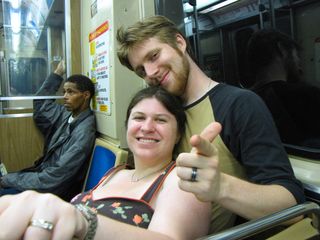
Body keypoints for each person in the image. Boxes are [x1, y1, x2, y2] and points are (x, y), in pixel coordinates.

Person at [116, 15, 306, 233]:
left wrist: (221, 187)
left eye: (154, 55)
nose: (150, 73)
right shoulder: (162, 113)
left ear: (179, 42)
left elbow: (293, 206)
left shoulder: (238, 104)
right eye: (141, 70)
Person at [0, 86, 211, 240]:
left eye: (161, 120)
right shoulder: (115, 172)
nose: (147, 127)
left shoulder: (181, 181)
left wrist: (84, 222)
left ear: (177, 135)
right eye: (138, 118)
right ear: (127, 126)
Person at [0, 61, 96, 201]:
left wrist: (8, 179)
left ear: (86, 95)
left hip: (56, 190)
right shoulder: (67, 114)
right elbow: (41, 107)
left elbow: (55, 178)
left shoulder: (84, 133)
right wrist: (57, 74)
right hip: (44, 176)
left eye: (71, 92)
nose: (64, 96)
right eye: (64, 92)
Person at [246, 29, 320, 147]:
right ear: (283, 50)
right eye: (296, 55)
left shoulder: (244, 100)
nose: (299, 62)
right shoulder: (307, 95)